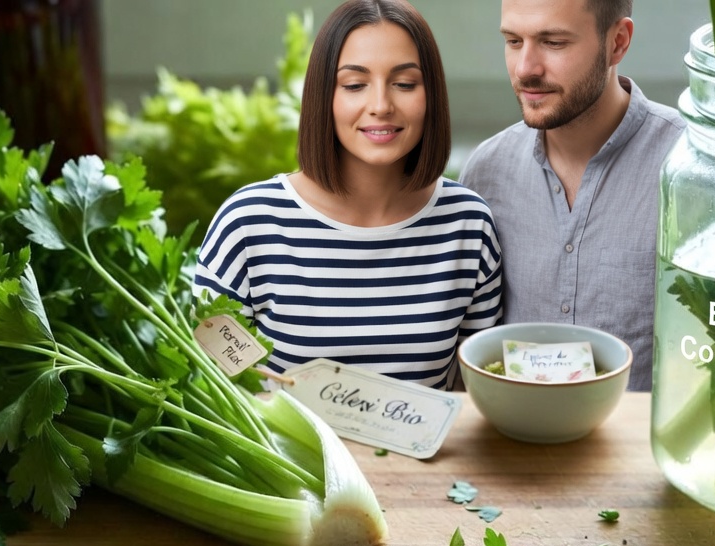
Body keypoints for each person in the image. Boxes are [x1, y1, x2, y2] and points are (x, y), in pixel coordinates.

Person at [193, 0, 502, 390]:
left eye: (405, 84)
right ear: (325, 96)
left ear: (432, 95)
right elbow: (211, 387)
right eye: (355, 85)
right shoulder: (248, 223)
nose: (380, 106)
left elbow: (474, 395)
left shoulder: (467, 224)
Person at [459, 0, 684, 391]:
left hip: (642, 451)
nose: (525, 68)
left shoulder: (691, 169)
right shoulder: (485, 173)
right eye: (513, 40)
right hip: (512, 444)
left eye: (554, 42)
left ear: (617, 42)